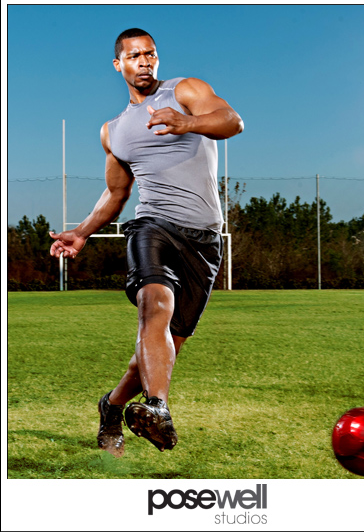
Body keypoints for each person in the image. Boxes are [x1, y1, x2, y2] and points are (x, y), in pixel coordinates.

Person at [49, 28, 243, 457]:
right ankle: (158, 407)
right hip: (152, 226)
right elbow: (117, 194)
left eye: (150, 54)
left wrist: (188, 122)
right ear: (118, 64)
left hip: (205, 239)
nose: (144, 61)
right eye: (134, 55)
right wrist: (81, 231)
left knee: (164, 348)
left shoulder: (185, 90)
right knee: (154, 305)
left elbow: (233, 121)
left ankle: (113, 405)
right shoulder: (113, 131)